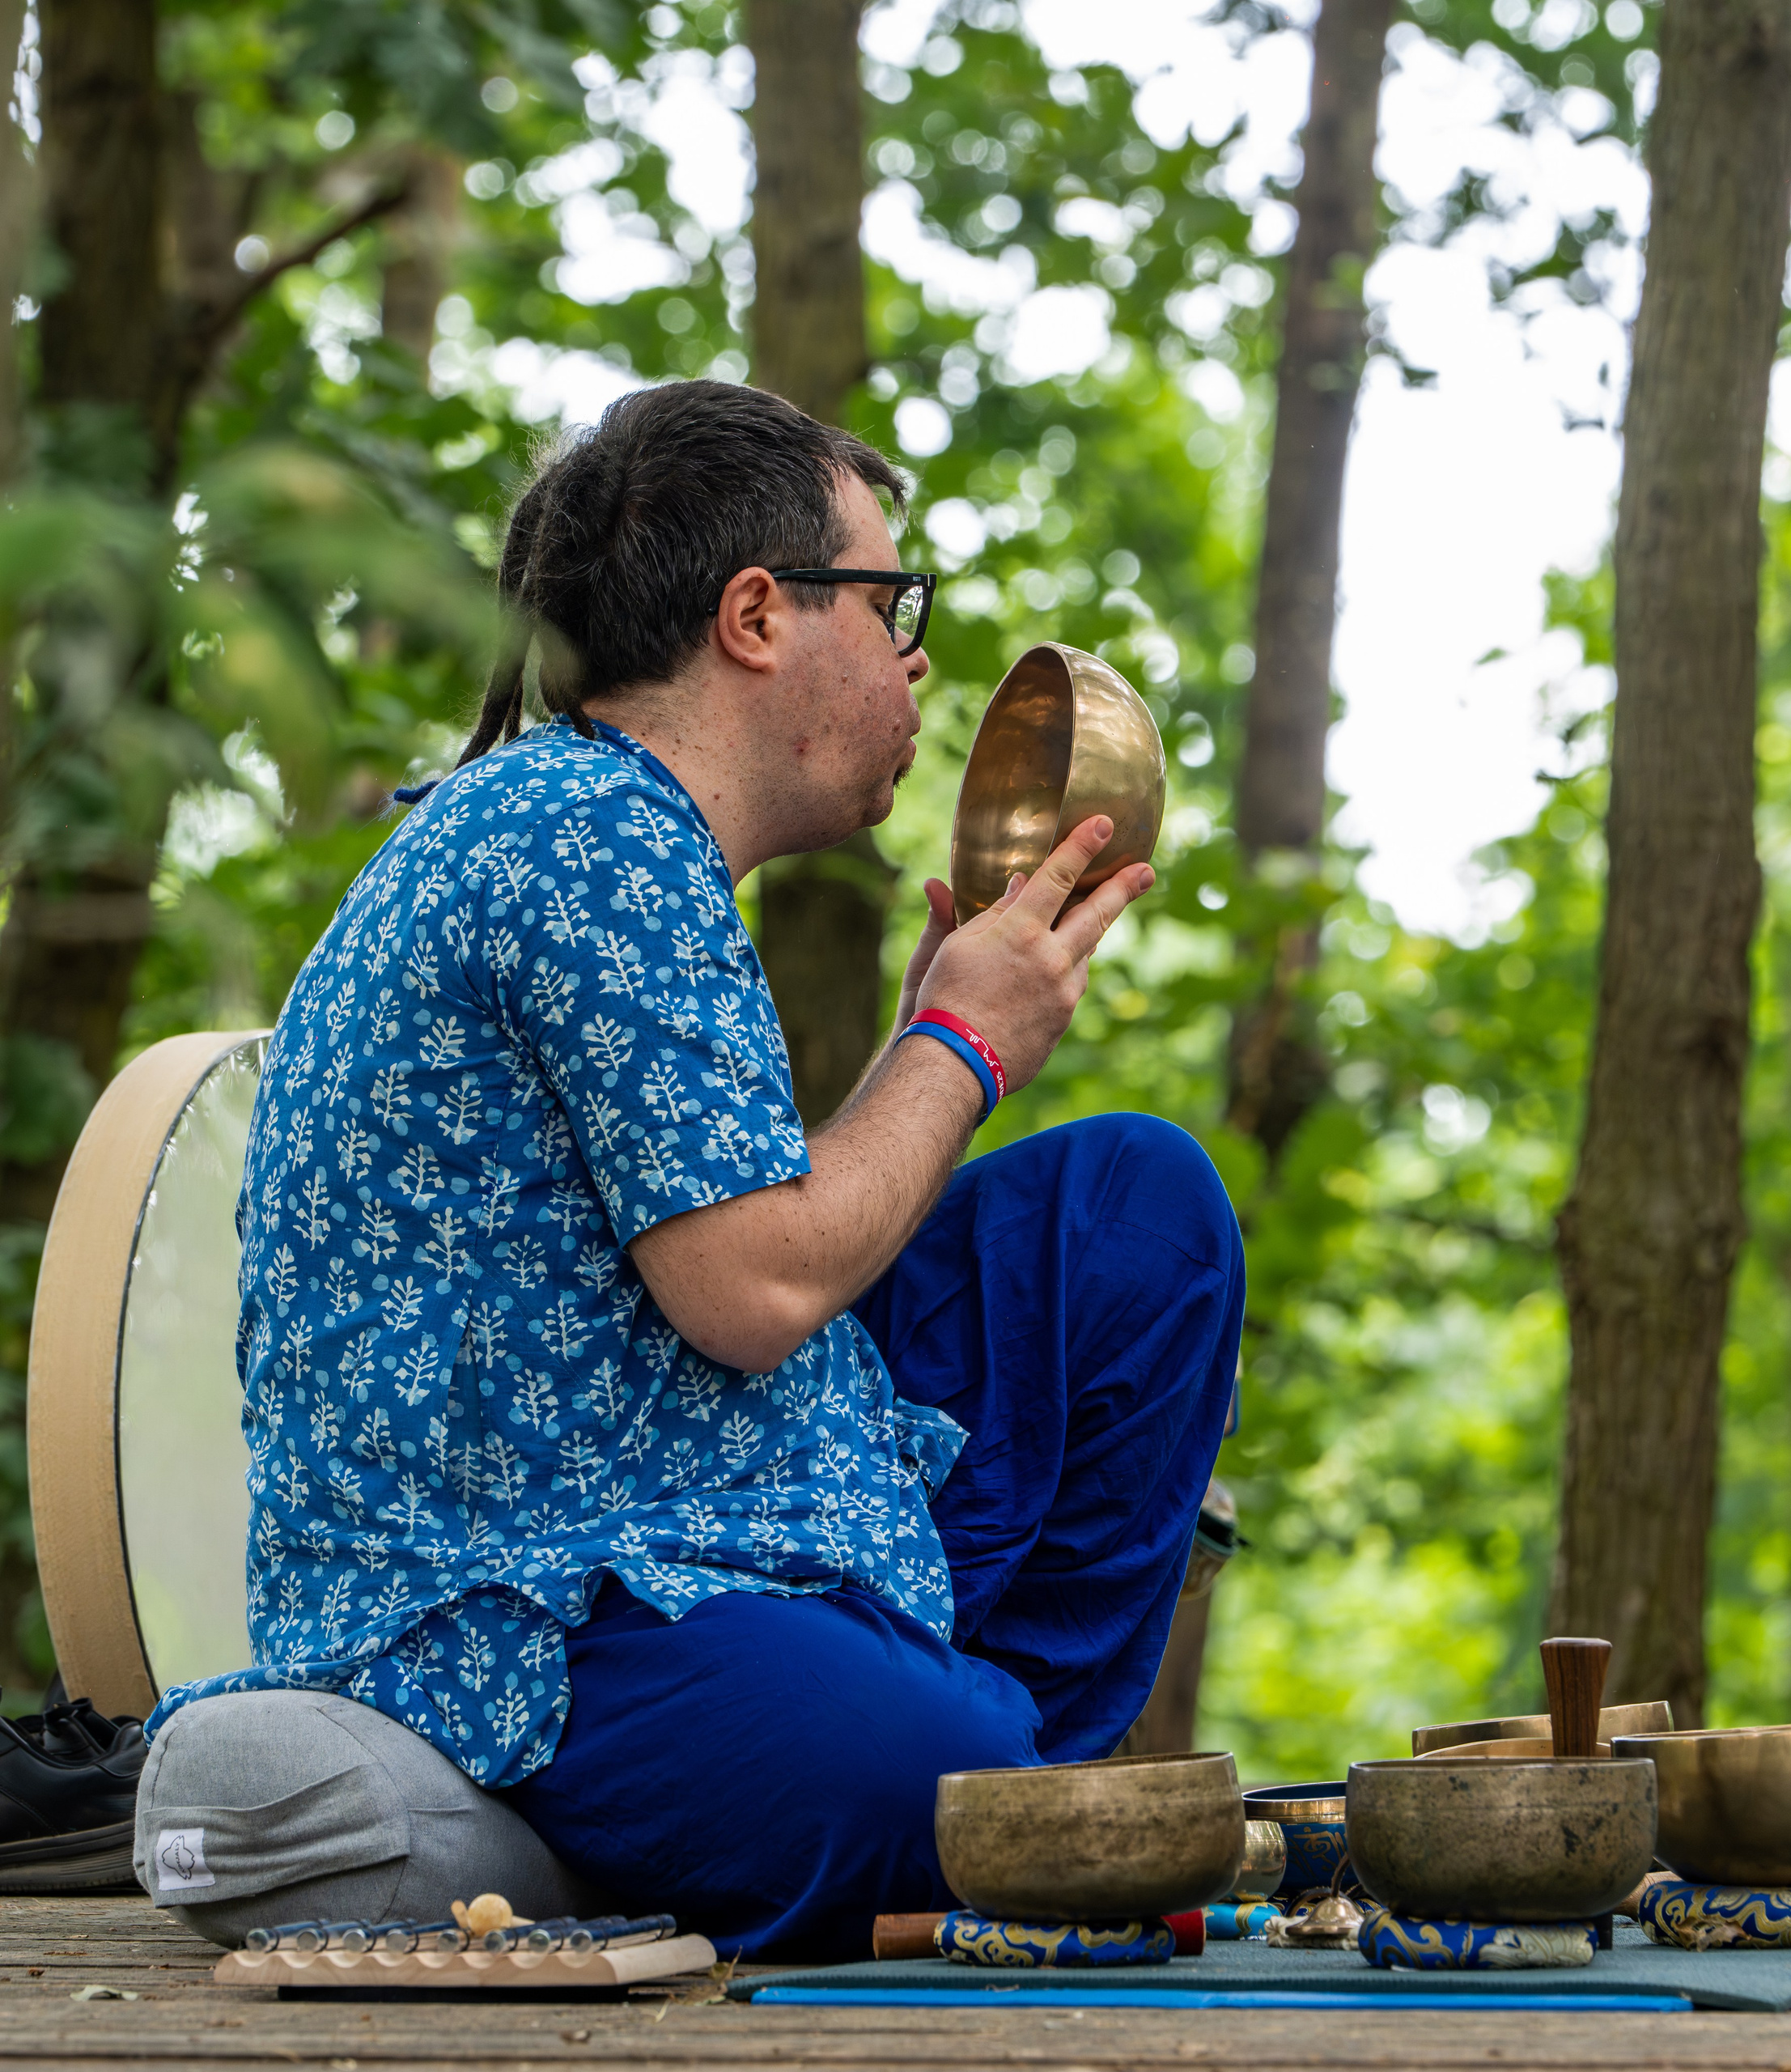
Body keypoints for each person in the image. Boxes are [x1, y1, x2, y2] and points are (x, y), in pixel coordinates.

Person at [148, 380, 1244, 1960]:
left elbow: (752, 1240)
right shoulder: (589, 833)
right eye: (888, 603)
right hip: (520, 1593)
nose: (917, 656)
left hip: (674, 1492)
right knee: (920, 1769)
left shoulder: (600, 827)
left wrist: (913, 1054)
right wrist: (961, 1041)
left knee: (1131, 1211)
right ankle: (976, 1775)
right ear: (754, 616)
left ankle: (986, 1771)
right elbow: (750, 1288)